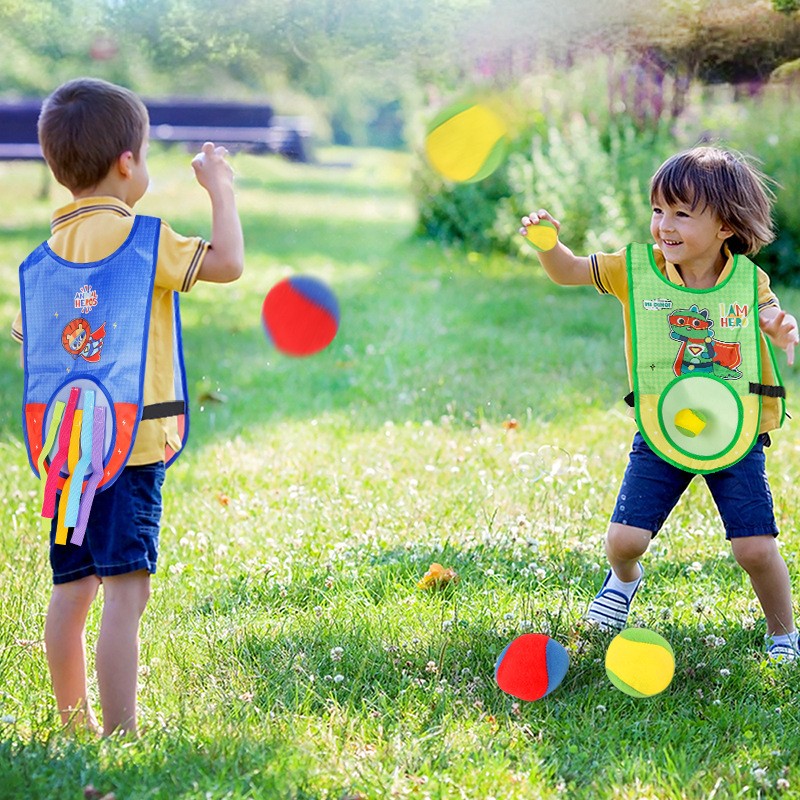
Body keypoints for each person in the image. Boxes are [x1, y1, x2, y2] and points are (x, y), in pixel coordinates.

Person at [10, 77, 244, 736]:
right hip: (131, 450)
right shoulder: (146, 240)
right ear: (128, 163)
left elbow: (33, 332)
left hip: (67, 460)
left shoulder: (45, 255)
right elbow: (227, 262)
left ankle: (72, 724)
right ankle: (120, 734)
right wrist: (220, 188)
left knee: (72, 589)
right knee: (125, 593)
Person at [519, 145, 800, 662]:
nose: (663, 225)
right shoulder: (636, 269)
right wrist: (548, 245)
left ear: (725, 227)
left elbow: (771, 316)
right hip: (662, 429)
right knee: (625, 540)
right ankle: (623, 582)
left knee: (755, 549)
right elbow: (569, 271)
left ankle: (783, 634)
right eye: (657, 210)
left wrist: (781, 328)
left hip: (733, 433)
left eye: (681, 213)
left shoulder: (747, 281)